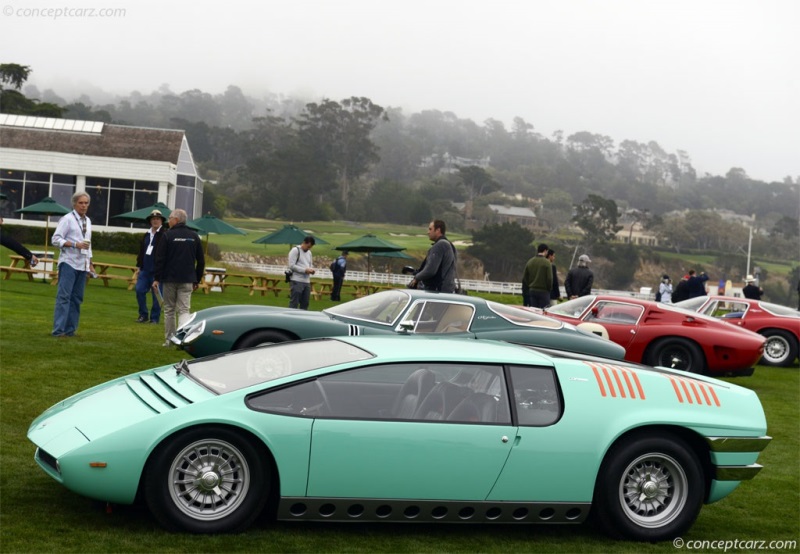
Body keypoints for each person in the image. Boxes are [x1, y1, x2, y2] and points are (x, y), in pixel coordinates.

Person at [153, 209, 205, 346]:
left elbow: (160, 258)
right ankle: (183, 340)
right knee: (184, 310)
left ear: (176, 220)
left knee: (169, 310)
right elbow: (201, 261)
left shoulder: (167, 236)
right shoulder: (194, 236)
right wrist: (197, 279)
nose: (168, 220)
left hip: (169, 279)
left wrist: (157, 278)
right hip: (188, 279)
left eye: (170, 218)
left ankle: (169, 340)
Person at [51, 191, 95, 337]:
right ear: (74, 204)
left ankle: (70, 330)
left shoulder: (87, 221)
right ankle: (58, 330)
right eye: (81, 203)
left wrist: (90, 263)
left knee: (77, 298)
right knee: (64, 297)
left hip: (82, 264)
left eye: (86, 203)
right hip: (69, 262)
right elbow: (56, 239)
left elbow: (88, 244)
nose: (84, 206)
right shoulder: (67, 219)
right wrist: (75, 244)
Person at [134, 209, 166, 323]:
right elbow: (141, 251)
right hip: (145, 270)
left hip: (157, 271)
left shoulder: (165, 235)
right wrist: (139, 266)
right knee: (139, 290)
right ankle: (143, 315)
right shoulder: (146, 235)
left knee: (156, 296)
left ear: (161, 221)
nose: (155, 221)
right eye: (153, 219)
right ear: (150, 221)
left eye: (157, 219)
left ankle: (154, 318)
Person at [408, 219, 457, 293]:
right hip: (447, 290)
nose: (428, 232)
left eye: (430, 229)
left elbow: (430, 270)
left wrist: (416, 278)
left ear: (438, 230)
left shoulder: (440, 245)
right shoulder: (450, 245)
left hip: (438, 291)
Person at [288, 236, 316, 309]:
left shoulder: (309, 253)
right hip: (296, 280)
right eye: (308, 246)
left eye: (310, 247)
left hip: (306, 281)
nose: (308, 249)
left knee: (305, 303)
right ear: (304, 243)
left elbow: (310, 264)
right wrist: (305, 270)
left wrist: (311, 270)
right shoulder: (295, 250)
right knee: (294, 302)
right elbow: (291, 265)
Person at [521, 243, 553, 309]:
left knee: (533, 312)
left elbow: (525, 278)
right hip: (544, 291)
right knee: (544, 312)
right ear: (545, 251)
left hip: (532, 291)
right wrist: (548, 289)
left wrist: (530, 285)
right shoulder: (547, 263)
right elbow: (549, 278)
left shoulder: (530, 261)